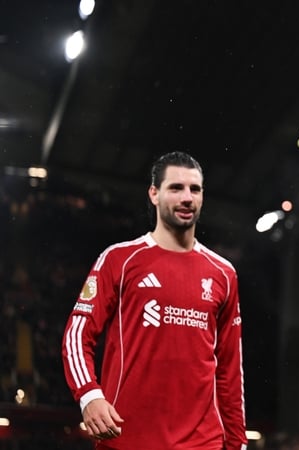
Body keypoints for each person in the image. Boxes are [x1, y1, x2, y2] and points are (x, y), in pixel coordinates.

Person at [61, 151, 247, 449]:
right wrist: (89, 395)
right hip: (126, 439)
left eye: (194, 189)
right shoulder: (119, 259)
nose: (187, 197)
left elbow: (229, 369)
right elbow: (77, 334)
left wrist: (238, 444)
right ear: (154, 194)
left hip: (202, 443)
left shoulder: (223, 273)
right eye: (176, 188)